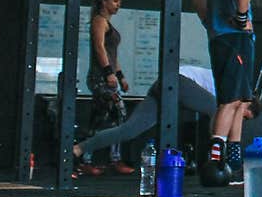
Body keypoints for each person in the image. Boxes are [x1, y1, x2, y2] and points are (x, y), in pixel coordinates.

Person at [191, 0, 262, 180]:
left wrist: (210, 20)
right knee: (231, 100)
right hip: (236, 36)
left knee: (240, 100)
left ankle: (230, 160)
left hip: (222, 36)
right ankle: (214, 161)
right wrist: (241, 18)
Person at [72, 65, 221, 174]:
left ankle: (77, 149)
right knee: (218, 112)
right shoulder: (237, 89)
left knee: (129, 130)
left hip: (165, 81)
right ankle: (218, 162)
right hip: (179, 80)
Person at [77, 0, 134, 176]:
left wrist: (120, 76)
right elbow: (100, 49)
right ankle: (110, 159)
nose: (118, 5)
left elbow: (112, 55)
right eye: (115, 0)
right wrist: (108, 73)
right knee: (118, 111)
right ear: (104, 2)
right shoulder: (99, 21)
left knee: (99, 118)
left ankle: (87, 160)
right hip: (98, 77)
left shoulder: (110, 25)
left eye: (120, 1)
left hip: (106, 76)